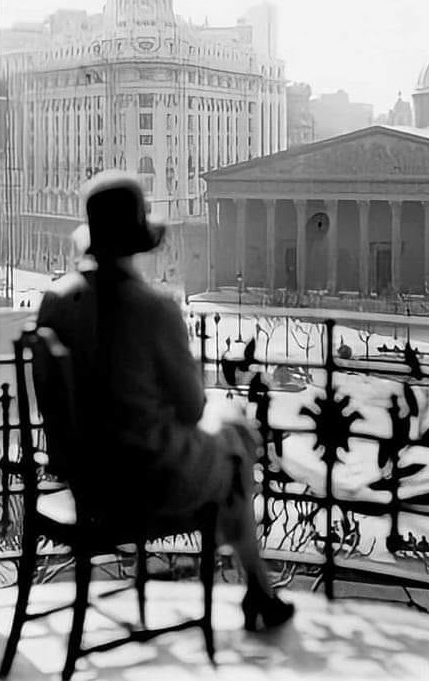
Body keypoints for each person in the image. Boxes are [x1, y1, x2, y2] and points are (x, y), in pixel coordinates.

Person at [36, 170, 294, 632]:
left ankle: (258, 587)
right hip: (142, 483)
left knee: (230, 439)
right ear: (139, 242)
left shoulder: (55, 301)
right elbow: (192, 408)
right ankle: (257, 586)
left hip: (84, 482)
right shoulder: (154, 309)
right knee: (234, 443)